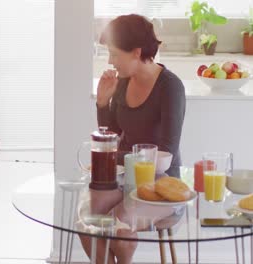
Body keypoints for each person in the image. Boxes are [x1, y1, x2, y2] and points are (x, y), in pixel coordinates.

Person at [78, 14, 186, 264]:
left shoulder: (170, 88)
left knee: (118, 227)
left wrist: (111, 157)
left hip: (162, 186)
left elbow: (165, 154)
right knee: (86, 223)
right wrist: (103, 104)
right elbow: (112, 137)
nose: (110, 61)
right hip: (124, 180)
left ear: (136, 52)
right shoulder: (124, 83)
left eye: (115, 54)